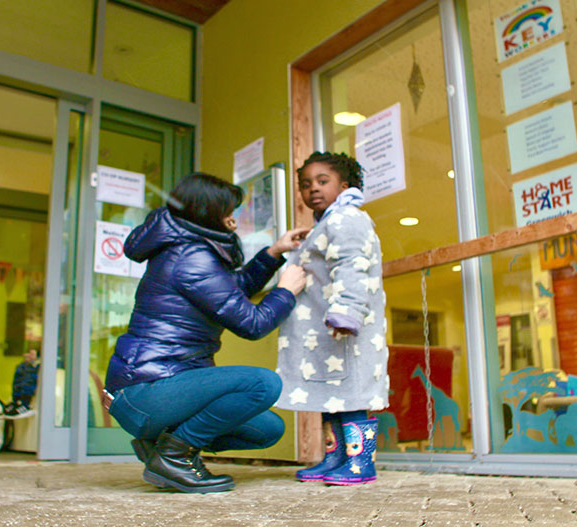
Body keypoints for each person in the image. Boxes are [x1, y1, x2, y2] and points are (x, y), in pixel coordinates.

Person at [104, 173, 308, 494]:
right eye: (229, 210)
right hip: (147, 387)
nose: (234, 217)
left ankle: (159, 446)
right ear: (207, 212)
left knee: (268, 429)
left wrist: (273, 253)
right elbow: (252, 324)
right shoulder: (191, 256)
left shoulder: (189, 248)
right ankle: (175, 456)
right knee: (263, 385)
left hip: (157, 386)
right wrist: (286, 291)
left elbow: (231, 290)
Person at [275, 151, 388, 486]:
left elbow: (353, 266)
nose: (313, 189)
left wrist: (347, 312)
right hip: (325, 330)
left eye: (323, 181)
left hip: (345, 327)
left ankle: (360, 462)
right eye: (306, 184)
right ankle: (336, 457)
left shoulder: (347, 219)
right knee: (333, 394)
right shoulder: (328, 223)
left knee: (351, 392)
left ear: (345, 184)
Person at [5, 348, 39, 418]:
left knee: (28, 374)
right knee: (21, 369)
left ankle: (24, 405)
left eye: (32, 354)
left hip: (27, 395)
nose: (28, 356)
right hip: (20, 394)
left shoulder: (33, 369)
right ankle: (17, 402)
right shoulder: (21, 367)